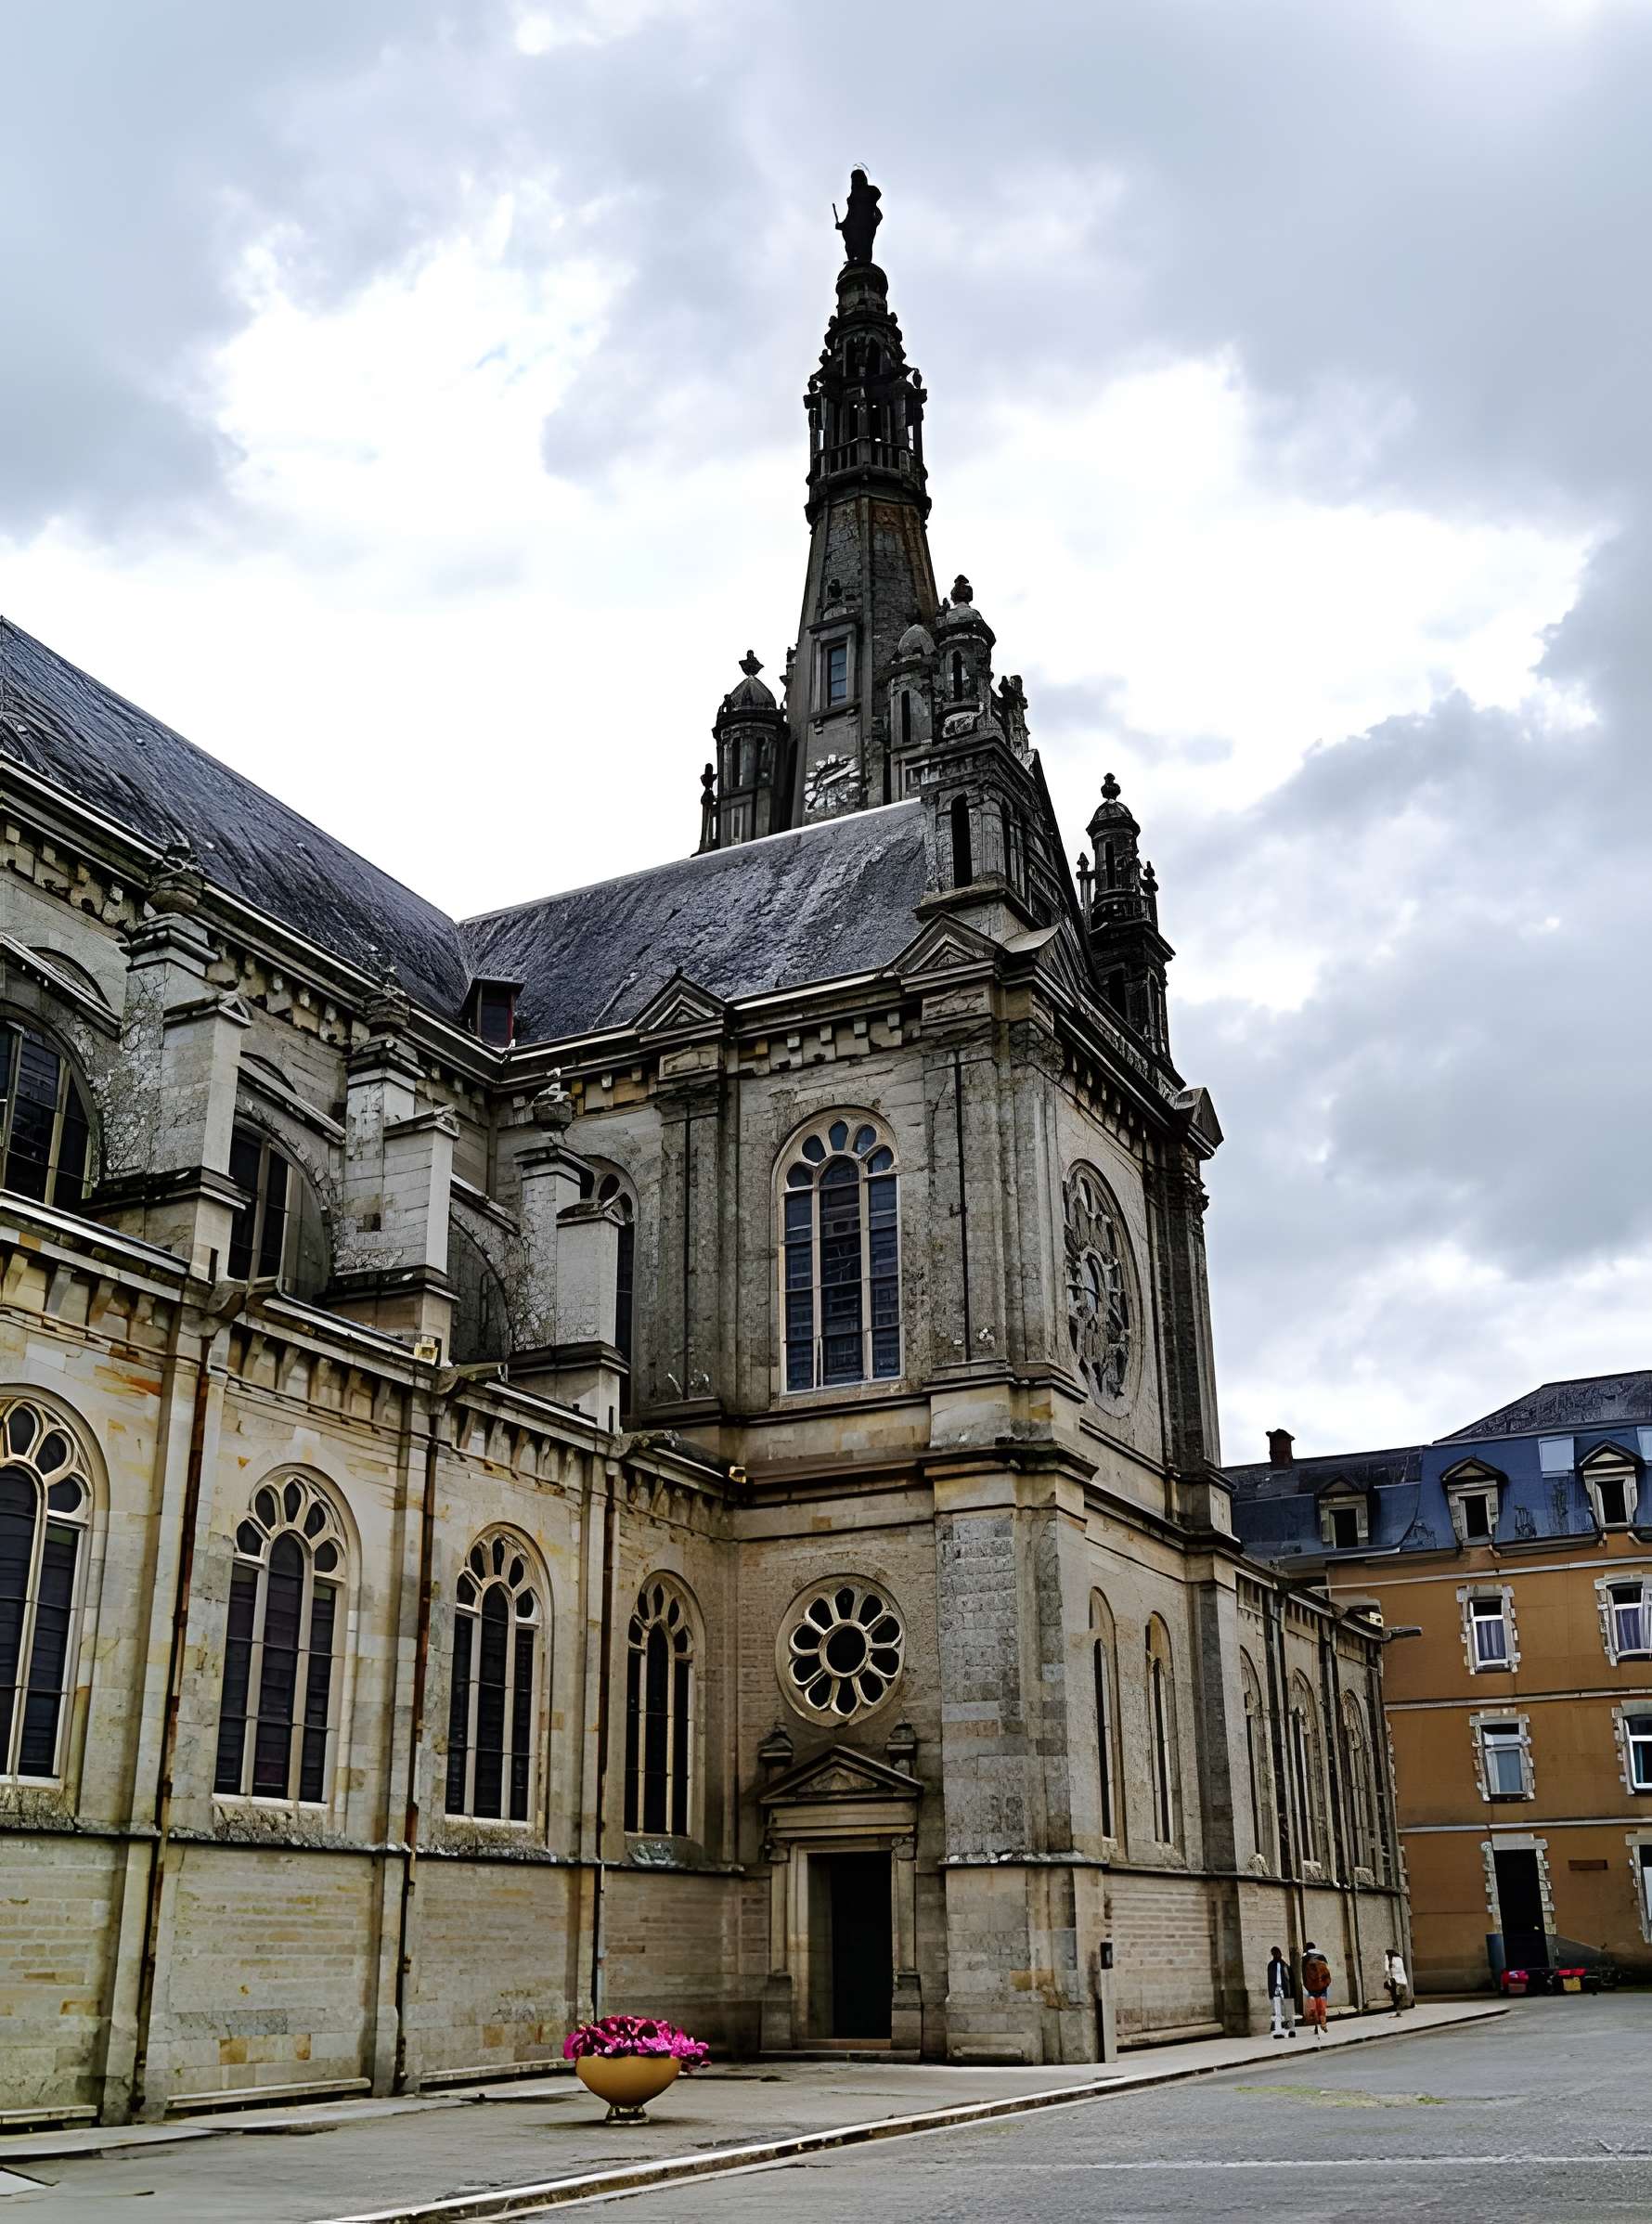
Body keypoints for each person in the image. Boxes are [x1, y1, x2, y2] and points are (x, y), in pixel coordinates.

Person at [1301, 1942, 1332, 2041]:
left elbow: (1304, 1976)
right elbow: (1327, 1972)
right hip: (1322, 1986)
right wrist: (1326, 1984)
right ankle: (1323, 2024)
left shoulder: (1305, 1958)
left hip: (1311, 1988)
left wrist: (1307, 1986)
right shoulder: (1322, 1957)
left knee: (1313, 2007)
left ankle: (1316, 2027)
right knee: (1322, 2007)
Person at [1266, 1946, 1296, 2039]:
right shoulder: (1279, 1965)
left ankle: (1288, 2030)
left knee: (1284, 2013)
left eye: (1276, 1953)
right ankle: (1285, 2031)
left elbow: (1289, 1980)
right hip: (1280, 1993)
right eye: (1275, 1953)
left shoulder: (1282, 1965)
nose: (1276, 1955)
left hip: (1283, 1993)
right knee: (1282, 2013)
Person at [1384, 1946, 1409, 2017]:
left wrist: (1386, 1977)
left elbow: (1386, 1970)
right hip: (1402, 1980)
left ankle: (1397, 2011)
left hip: (1393, 1980)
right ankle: (1399, 2011)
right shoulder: (1399, 1958)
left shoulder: (1387, 1957)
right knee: (1400, 1996)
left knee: (1394, 1996)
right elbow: (1402, 1970)